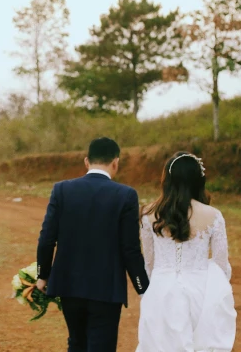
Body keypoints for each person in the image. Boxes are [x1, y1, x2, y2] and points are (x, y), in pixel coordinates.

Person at [36, 137, 149, 352]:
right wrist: (143, 288)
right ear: (116, 162)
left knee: (76, 343)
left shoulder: (61, 190)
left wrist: (42, 275)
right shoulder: (126, 195)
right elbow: (130, 249)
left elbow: (46, 238)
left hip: (69, 286)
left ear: (86, 161)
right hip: (106, 290)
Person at [136, 152, 236, 352]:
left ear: (167, 180)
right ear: (199, 180)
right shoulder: (213, 216)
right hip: (200, 291)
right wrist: (216, 295)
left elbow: (149, 263)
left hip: (160, 290)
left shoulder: (148, 214)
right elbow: (221, 266)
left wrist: (150, 293)